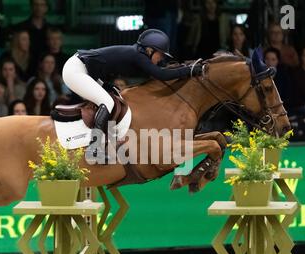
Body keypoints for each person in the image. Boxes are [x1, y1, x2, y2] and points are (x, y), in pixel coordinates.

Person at [62, 28, 203, 161]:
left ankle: (106, 144)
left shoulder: (139, 54)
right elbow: (160, 74)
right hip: (76, 70)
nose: (161, 59)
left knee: (113, 98)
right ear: (149, 50)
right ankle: (93, 149)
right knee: (108, 102)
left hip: (87, 70)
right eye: (160, 55)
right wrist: (189, 70)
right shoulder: (138, 56)